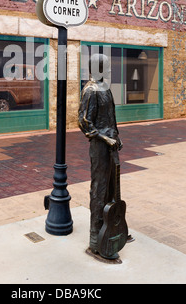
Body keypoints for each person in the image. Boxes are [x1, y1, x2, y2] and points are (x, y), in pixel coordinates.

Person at [78, 53, 123, 254]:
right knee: (99, 188)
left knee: (113, 188)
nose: (110, 69)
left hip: (112, 144)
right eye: (106, 66)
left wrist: (117, 136)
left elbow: (110, 118)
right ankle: (96, 237)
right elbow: (85, 122)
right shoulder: (90, 90)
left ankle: (113, 226)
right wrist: (105, 139)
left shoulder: (105, 87)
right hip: (100, 145)